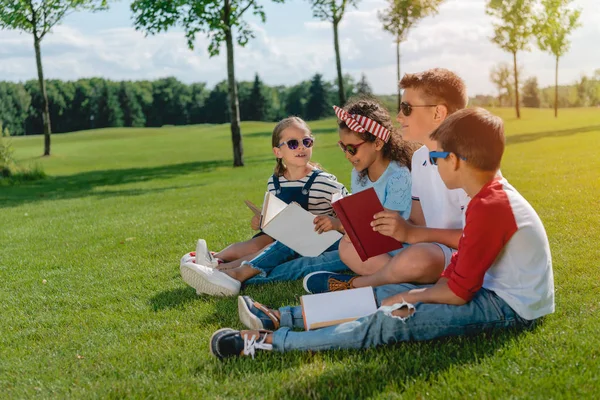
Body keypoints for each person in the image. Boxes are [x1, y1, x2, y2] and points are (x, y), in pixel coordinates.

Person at [209, 107, 555, 359]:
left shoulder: (491, 205)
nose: (432, 165)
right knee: (388, 292)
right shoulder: (486, 195)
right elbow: (464, 262)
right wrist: (406, 291)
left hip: (508, 308)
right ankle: (282, 317)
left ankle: (270, 342)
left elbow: (459, 293)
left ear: (458, 159)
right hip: (485, 290)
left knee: (392, 318)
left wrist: (413, 297)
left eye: (436, 158)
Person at [184, 97, 415, 296]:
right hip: (353, 243)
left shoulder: (397, 176)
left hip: (380, 251)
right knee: (289, 242)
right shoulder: (360, 174)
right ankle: (227, 274)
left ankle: (232, 275)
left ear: (378, 142)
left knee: (304, 263)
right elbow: (358, 215)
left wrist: (337, 223)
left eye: (352, 148)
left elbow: (385, 230)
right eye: (342, 147)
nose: (347, 155)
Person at [303, 68, 471, 293]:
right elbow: (417, 221)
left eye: (407, 109)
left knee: (418, 257)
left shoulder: (467, 162)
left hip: (451, 253)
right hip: (422, 247)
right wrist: (388, 230)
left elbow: (473, 240)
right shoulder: (421, 158)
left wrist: (412, 235)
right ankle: (403, 279)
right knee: (349, 245)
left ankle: (359, 284)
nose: (399, 117)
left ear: (438, 113)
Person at [180, 116, 348, 295]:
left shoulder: (324, 182)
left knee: (271, 246)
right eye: (292, 143)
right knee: (256, 244)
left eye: (306, 142)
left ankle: (221, 271)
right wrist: (261, 221)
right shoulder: (275, 182)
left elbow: (350, 212)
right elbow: (275, 213)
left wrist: (335, 222)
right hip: (283, 235)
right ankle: (214, 260)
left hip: (315, 240)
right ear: (278, 152)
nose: (301, 147)